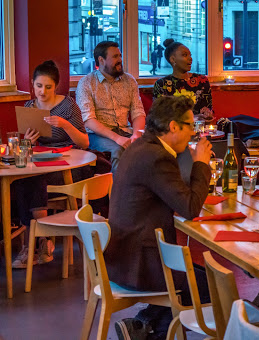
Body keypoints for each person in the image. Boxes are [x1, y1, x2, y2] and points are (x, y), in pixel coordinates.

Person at [105, 95, 212, 339]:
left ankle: (142, 327)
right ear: (174, 126)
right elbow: (190, 207)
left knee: (199, 276)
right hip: (139, 261)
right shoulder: (157, 157)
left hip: (123, 253)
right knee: (208, 286)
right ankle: (150, 331)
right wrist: (201, 164)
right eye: (190, 126)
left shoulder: (141, 146)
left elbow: (171, 193)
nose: (192, 133)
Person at [12, 60, 90, 269]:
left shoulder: (67, 105)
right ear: (32, 85)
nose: (42, 92)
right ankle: (41, 243)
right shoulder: (30, 106)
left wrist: (65, 125)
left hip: (71, 163)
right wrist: (27, 140)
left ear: (56, 87)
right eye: (38, 86)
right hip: (44, 162)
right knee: (21, 181)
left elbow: (84, 142)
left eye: (48, 87)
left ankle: (33, 244)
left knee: (34, 180)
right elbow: (27, 148)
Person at [76, 41, 146, 173]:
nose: (120, 60)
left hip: (126, 131)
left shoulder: (129, 80)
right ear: (101, 60)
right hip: (97, 135)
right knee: (118, 150)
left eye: (120, 56)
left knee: (152, 146)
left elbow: (138, 112)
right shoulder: (86, 83)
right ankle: (118, 193)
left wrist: (136, 135)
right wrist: (117, 138)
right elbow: (88, 120)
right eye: (115, 57)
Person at [153, 39, 214, 121]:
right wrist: (194, 118)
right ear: (173, 60)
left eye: (190, 55)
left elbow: (209, 108)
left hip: (200, 129)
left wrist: (208, 113)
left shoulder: (202, 81)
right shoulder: (162, 85)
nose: (190, 58)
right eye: (185, 55)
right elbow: (161, 118)